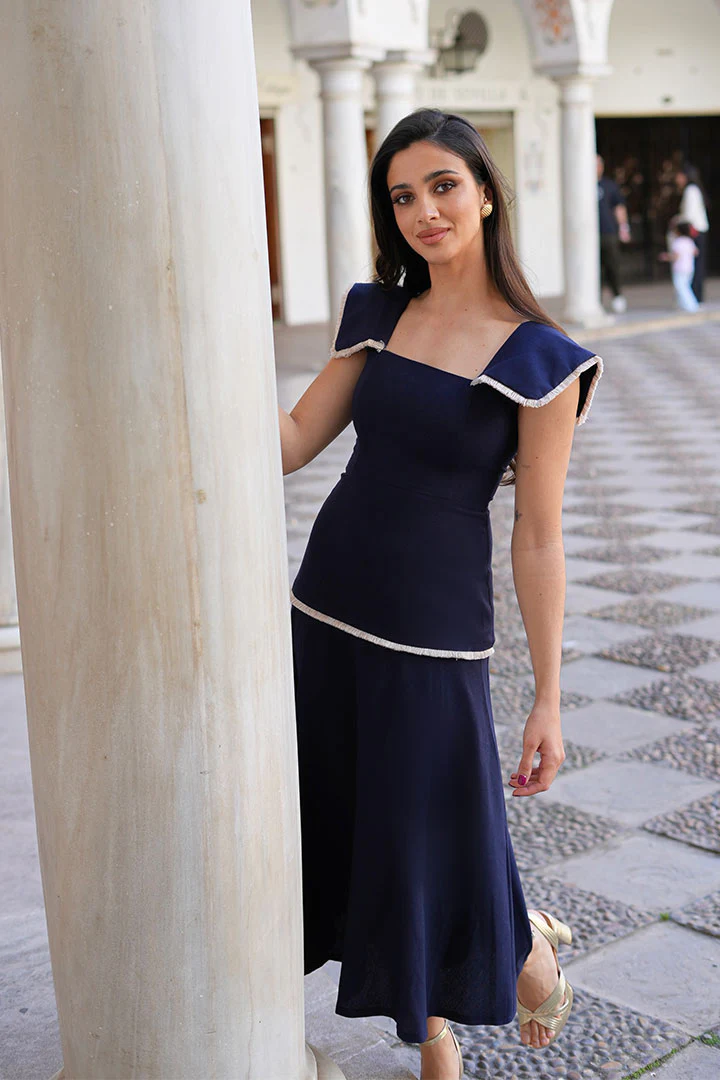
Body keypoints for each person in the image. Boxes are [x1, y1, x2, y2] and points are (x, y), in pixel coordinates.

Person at [278, 108, 603, 1079]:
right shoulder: (376, 314)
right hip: (326, 605)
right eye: (403, 196)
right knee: (351, 819)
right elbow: (292, 442)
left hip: (435, 632)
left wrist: (548, 698)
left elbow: (537, 536)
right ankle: (434, 1032)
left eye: (444, 186)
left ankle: (525, 954)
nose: (425, 211)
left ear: (486, 194)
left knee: (426, 835)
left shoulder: (542, 360)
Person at [597, 154, 631, 313]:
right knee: (593, 270)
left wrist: (623, 227)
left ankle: (617, 295)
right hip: (589, 236)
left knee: (612, 265)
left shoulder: (609, 185)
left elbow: (619, 207)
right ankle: (595, 300)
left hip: (608, 232)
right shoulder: (581, 184)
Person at [675, 163, 710, 303]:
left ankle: (694, 297)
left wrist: (677, 221)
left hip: (694, 232)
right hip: (697, 231)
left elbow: (688, 216)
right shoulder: (693, 190)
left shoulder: (691, 190)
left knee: (694, 266)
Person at [660, 219, 700, 312]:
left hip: (680, 268)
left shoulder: (677, 242)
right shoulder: (689, 241)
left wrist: (666, 257)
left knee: (681, 287)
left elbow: (675, 256)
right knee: (685, 286)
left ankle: (691, 305)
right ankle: (682, 304)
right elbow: (696, 252)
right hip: (689, 268)